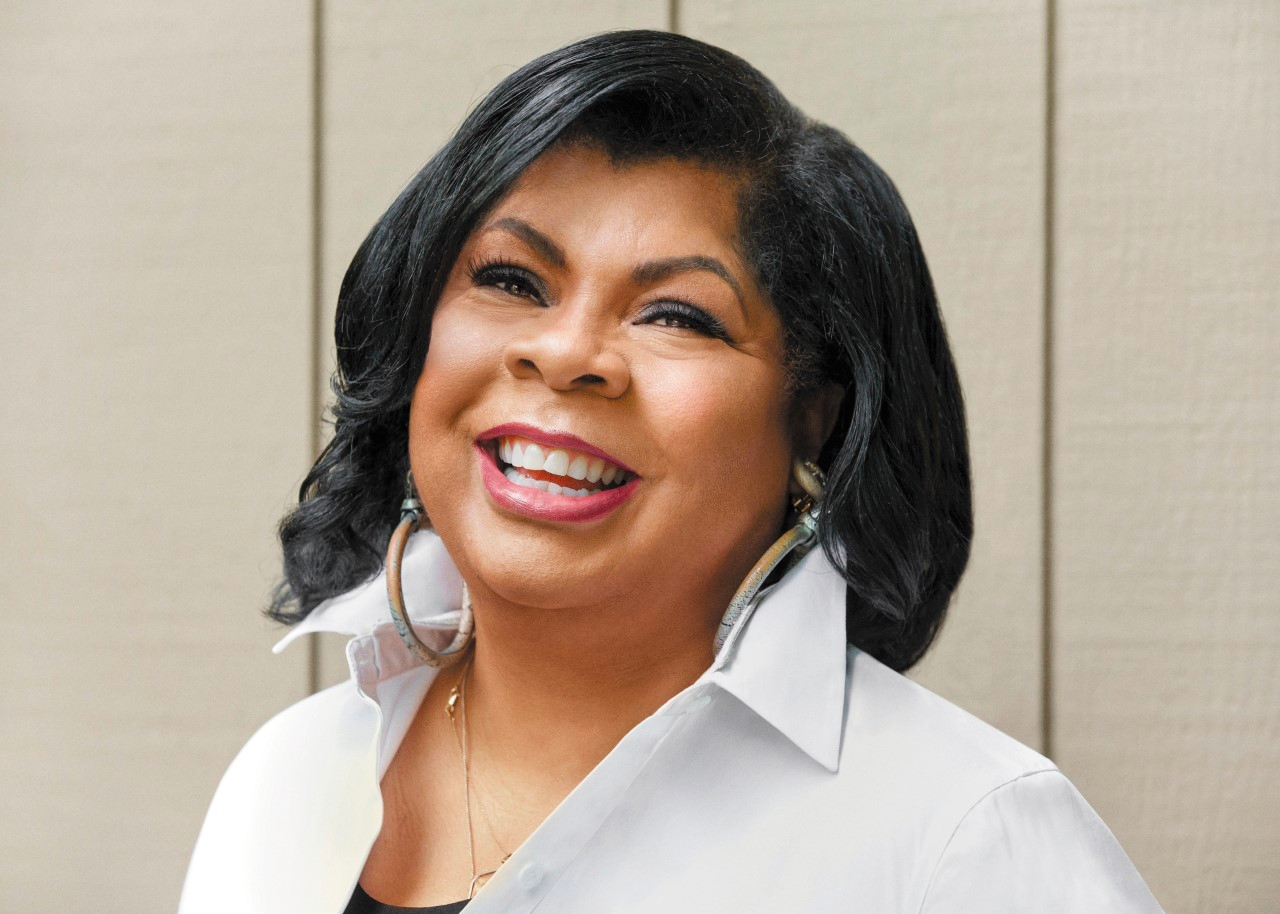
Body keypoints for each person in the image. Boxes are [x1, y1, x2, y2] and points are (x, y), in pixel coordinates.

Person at [180, 29, 1164, 914]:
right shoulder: (286, 777)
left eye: (677, 316)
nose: (566, 353)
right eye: (511, 279)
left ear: (814, 415)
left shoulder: (962, 838)